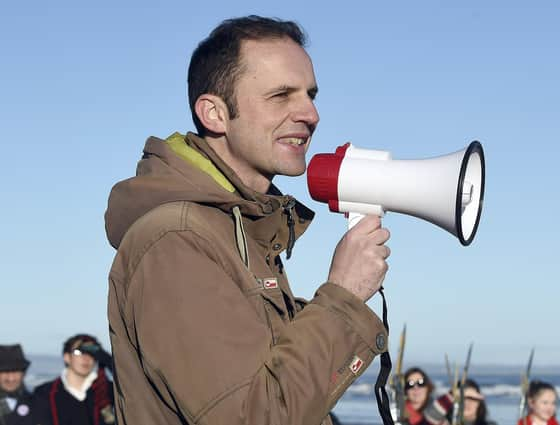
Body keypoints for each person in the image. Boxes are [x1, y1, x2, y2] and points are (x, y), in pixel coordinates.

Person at [104, 15, 391, 425]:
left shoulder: (242, 230)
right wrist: (342, 297)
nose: (310, 114)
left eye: (310, 94)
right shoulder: (176, 240)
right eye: (281, 96)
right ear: (214, 114)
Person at [33, 334, 115, 425]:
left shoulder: (108, 391)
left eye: (92, 353)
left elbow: (130, 388)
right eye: (79, 352)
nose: (86, 358)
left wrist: (108, 361)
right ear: (67, 357)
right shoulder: (45, 393)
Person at [422, 378, 497, 425]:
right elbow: (428, 418)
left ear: (479, 402)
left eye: (471, 398)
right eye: (462, 398)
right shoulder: (444, 422)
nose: (467, 402)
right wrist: (454, 393)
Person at [0, 344, 39, 425]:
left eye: (15, 372)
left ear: (23, 373)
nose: (11, 378)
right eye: (5, 372)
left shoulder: (39, 404)